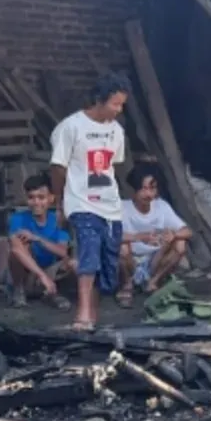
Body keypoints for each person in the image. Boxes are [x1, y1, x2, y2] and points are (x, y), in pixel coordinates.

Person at [49, 73, 131, 331]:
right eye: (115, 104)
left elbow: (110, 169)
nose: (119, 110)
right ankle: (82, 315)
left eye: (121, 105)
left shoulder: (117, 131)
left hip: (110, 205)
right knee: (89, 252)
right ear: (99, 99)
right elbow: (57, 167)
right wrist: (61, 201)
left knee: (108, 261)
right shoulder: (71, 127)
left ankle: (92, 318)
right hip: (81, 202)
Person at [117, 163, 192, 307]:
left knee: (180, 243)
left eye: (152, 188)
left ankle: (153, 282)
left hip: (154, 262)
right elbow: (110, 237)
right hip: (130, 261)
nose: (148, 194)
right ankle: (127, 285)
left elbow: (188, 231)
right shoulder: (122, 208)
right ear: (134, 189)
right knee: (122, 247)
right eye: (144, 189)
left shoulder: (161, 206)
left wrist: (174, 235)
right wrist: (140, 237)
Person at [7, 175, 73, 310]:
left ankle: (51, 293)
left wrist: (36, 238)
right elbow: (16, 249)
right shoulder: (17, 218)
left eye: (41, 197)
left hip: (51, 271)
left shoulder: (58, 220)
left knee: (73, 262)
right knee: (18, 248)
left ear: (51, 199)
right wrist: (42, 276)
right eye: (31, 197)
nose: (36, 202)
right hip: (28, 273)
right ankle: (19, 291)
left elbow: (62, 251)